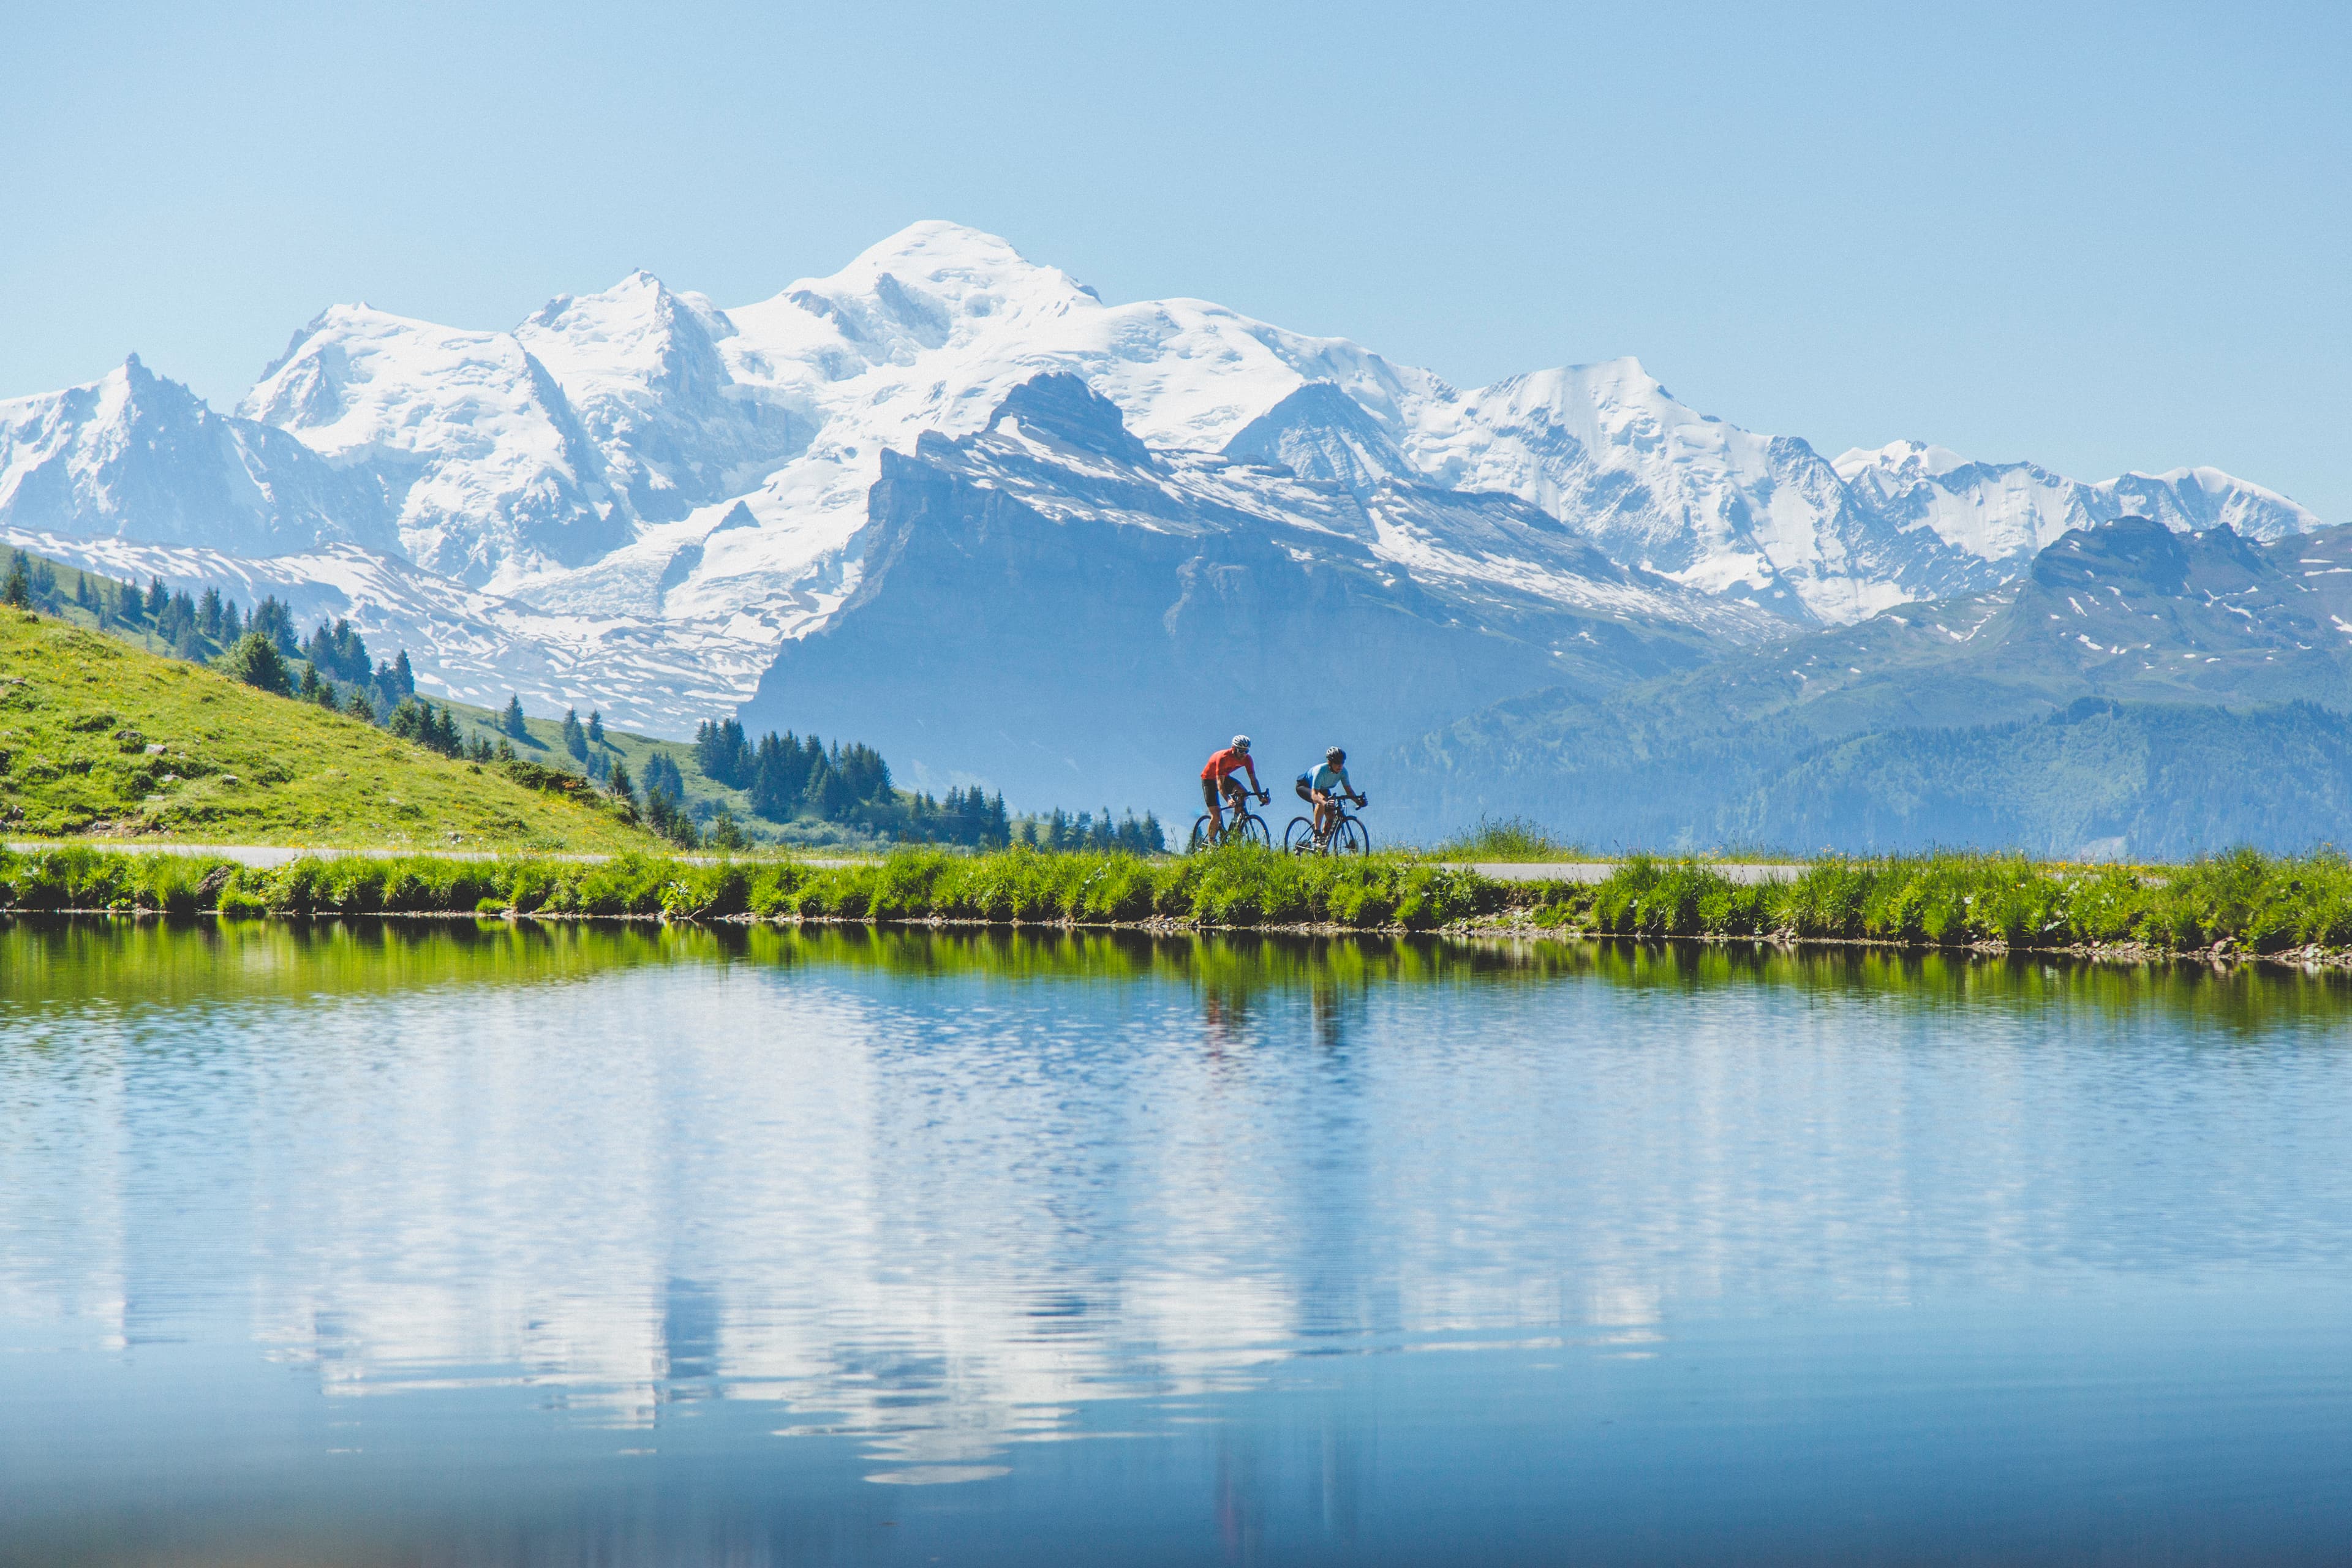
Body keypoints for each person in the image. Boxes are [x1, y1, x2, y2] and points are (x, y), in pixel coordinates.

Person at [1200, 735, 1267, 842]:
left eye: (1246, 751)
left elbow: (1253, 780)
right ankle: (1211, 844)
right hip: (1209, 780)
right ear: (1234, 749)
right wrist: (1228, 799)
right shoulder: (1223, 757)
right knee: (1216, 815)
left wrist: (1260, 797)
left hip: (1225, 777)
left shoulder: (1247, 759)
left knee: (1243, 794)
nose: (1244, 754)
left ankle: (1235, 826)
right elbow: (1220, 784)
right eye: (1241, 751)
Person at [1297, 746, 1365, 842]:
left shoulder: (1343, 772)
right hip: (1305, 786)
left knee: (1331, 816)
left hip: (1323, 788)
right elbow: (1315, 795)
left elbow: (1349, 791)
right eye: (1337, 763)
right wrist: (1325, 803)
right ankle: (1317, 834)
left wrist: (1358, 801)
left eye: (1342, 762)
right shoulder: (1320, 771)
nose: (1340, 766)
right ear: (1330, 762)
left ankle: (1322, 842)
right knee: (1322, 801)